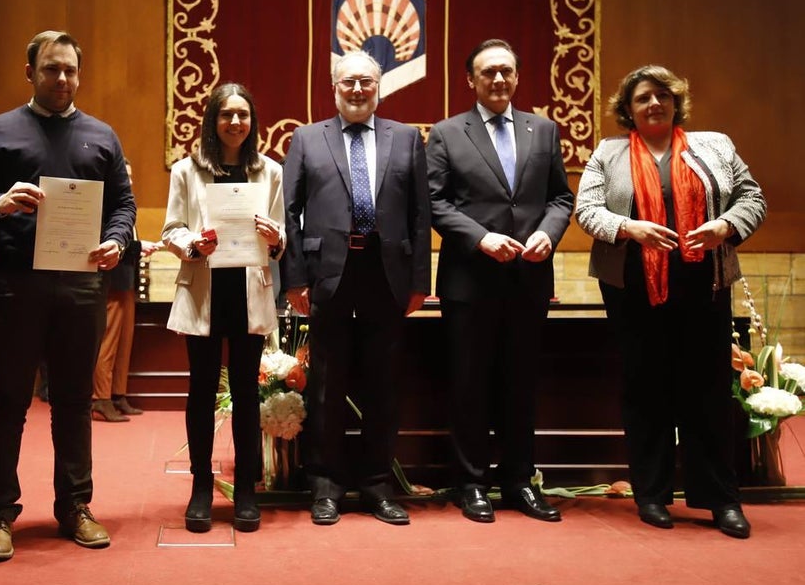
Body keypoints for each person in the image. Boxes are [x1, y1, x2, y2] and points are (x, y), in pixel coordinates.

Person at [0, 30, 136, 561]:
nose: (62, 79)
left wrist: (117, 240)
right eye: (51, 69)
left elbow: (123, 203)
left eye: (70, 70)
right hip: (15, 286)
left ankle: (75, 507)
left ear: (80, 75)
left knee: (76, 402)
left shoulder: (102, 136)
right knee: (7, 401)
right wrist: (2, 203)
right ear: (29, 71)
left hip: (81, 286)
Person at [575, 64, 766, 538]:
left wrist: (724, 227)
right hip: (633, 291)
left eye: (662, 95)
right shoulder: (609, 152)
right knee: (645, 393)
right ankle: (652, 496)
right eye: (643, 98)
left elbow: (752, 197)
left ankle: (720, 500)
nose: (654, 104)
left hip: (705, 286)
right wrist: (628, 228)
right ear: (628, 109)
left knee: (707, 394)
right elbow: (587, 209)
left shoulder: (715, 145)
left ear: (676, 100)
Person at [426, 38, 574, 525]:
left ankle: (518, 482)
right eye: (488, 72)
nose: (498, 80)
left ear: (517, 76)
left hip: (529, 279)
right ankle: (471, 484)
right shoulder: (447, 134)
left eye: (507, 71)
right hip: (470, 280)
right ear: (470, 80)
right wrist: (481, 238)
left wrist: (549, 235)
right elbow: (436, 202)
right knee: (469, 386)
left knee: (521, 385)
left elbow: (560, 198)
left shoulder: (544, 130)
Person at [283, 50, 430, 526]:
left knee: (383, 386)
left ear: (379, 86)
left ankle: (376, 486)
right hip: (328, 272)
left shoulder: (407, 139)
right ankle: (324, 487)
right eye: (348, 82)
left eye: (366, 81)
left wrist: (418, 283)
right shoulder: (306, 139)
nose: (358, 89)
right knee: (326, 385)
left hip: (387, 275)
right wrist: (295, 278)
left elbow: (420, 216)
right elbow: (288, 209)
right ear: (334, 87)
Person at [162, 83, 285, 532]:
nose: (235, 123)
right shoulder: (186, 171)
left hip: (248, 290)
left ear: (253, 123)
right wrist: (191, 242)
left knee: (248, 396)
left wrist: (277, 239)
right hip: (205, 288)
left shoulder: (269, 171)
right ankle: (199, 484)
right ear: (212, 120)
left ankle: (247, 491)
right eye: (226, 115)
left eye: (243, 115)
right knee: (200, 392)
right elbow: (172, 228)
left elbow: (281, 233)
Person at [92, 161, 160, 423]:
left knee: (124, 342)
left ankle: (117, 394)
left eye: (131, 176)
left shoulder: (123, 204)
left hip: (125, 280)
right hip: (109, 280)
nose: (129, 181)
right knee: (107, 343)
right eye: (125, 176)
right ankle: (100, 398)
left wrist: (139, 246)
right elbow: (104, 241)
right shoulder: (103, 204)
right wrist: (140, 247)